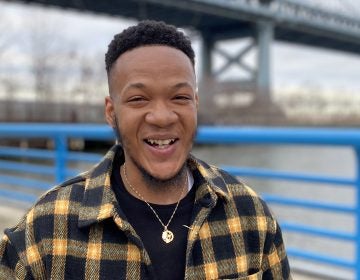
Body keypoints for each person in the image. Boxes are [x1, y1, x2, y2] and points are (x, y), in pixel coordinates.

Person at [0, 20, 291, 279]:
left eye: (179, 97)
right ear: (111, 112)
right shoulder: (47, 230)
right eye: (139, 99)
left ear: (196, 105)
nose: (162, 117)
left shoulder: (252, 217)